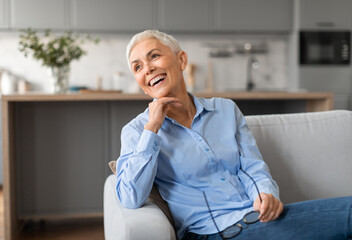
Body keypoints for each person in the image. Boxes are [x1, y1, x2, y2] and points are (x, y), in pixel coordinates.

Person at [115, 30, 352, 240]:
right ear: (140, 82)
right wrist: (153, 129)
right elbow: (129, 197)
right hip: (209, 232)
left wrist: (265, 193)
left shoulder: (225, 109)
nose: (148, 68)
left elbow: (250, 165)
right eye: (137, 67)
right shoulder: (137, 131)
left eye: (154, 56)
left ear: (181, 59)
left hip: (256, 219)